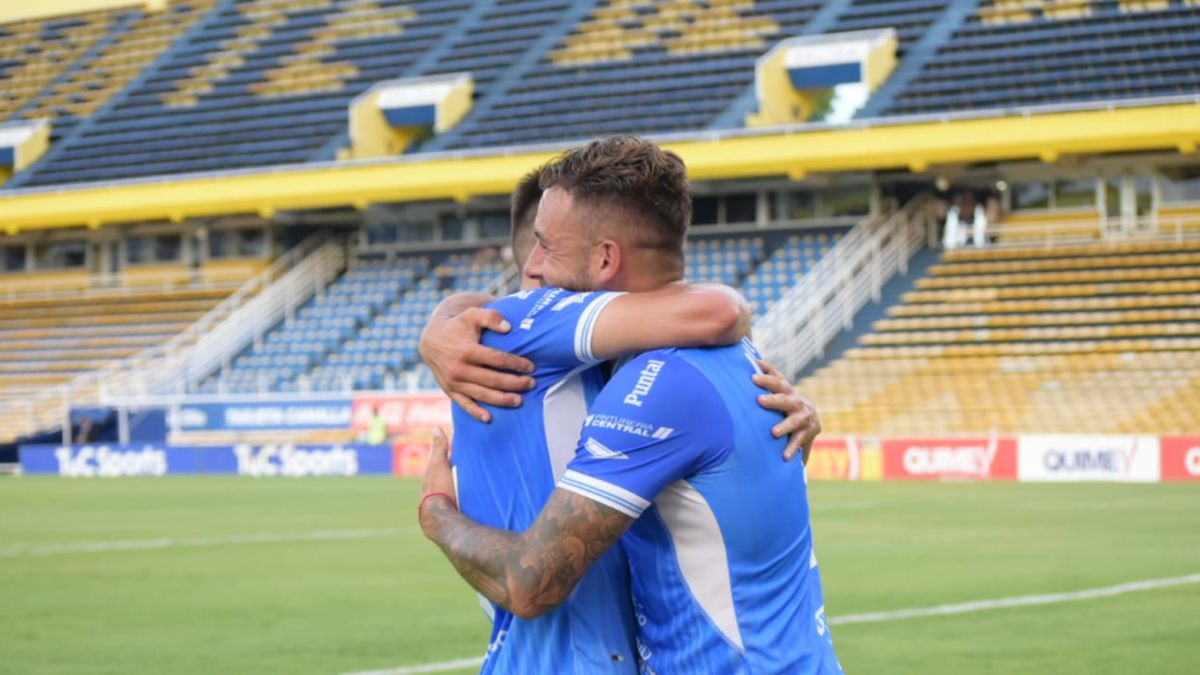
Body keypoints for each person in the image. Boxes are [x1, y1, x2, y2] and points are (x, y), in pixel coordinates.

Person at [419, 136, 840, 673]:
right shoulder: (736, 359)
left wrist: (437, 512)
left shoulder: (658, 384)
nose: (534, 269)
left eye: (547, 247)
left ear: (605, 259)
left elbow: (531, 582)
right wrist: (439, 325)